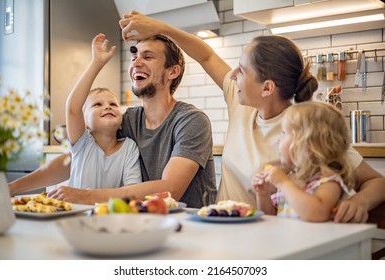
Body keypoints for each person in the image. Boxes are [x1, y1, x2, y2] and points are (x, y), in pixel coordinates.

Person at [118, 10, 385, 222]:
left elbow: (376, 181)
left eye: (242, 71)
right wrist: (162, 28)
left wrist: (358, 202)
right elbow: (207, 56)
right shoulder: (242, 103)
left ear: (267, 88)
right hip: (222, 226)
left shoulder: (305, 129)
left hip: (265, 239)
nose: (232, 76)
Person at [9, 34, 217, 208]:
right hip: (145, 223)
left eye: (148, 56)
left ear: (173, 71)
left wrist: (85, 196)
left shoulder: (191, 121)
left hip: (191, 225)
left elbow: (170, 189)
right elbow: (73, 160)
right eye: (134, 56)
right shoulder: (128, 121)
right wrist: (13, 188)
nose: (136, 62)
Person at [253, 102, 356, 222]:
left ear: (310, 145)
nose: (278, 140)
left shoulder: (328, 182)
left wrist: (282, 182)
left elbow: (318, 213)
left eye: (285, 133)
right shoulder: (291, 179)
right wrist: (263, 195)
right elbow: (272, 220)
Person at [66, 33, 141, 190]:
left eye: (113, 104)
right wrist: (96, 63)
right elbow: (73, 108)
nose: (107, 107)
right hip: (77, 213)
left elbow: (133, 190)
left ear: (121, 123)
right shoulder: (83, 143)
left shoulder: (129, 147)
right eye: (97, 104)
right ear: (84, 123)